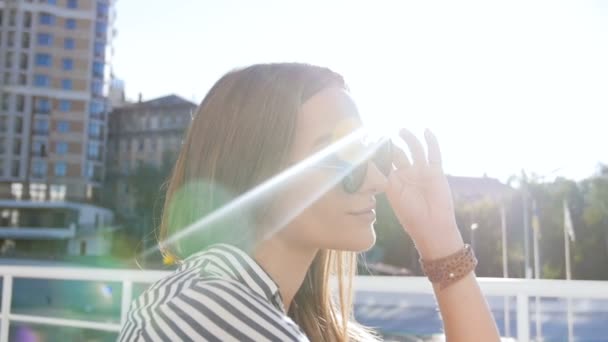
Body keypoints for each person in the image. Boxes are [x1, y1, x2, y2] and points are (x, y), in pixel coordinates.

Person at [118, 63, 500, 341]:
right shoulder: (208, 314)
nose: (377, 180)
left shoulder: (234, 304)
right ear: (258, 171)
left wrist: (439, 238)